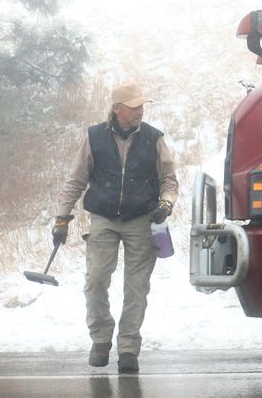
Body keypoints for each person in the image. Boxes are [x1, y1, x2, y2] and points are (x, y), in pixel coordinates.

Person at [52, 83, 178, 373]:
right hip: (104, 219)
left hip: (141, 219)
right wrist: (61, 217)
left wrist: (166, 203)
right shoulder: (94, 137)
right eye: (134, 106)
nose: (140, 111)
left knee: (136, 288)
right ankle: (100, 340)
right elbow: (76, 179)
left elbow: (169, 180)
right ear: (116, 108)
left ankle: (129, 348)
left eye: (142, 106)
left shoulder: (154, 138)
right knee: (95, 280)